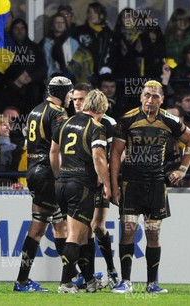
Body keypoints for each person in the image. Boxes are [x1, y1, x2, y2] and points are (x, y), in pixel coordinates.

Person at [110, 80, 190, 294]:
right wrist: (113, 187)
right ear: (141, 97)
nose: (150, 100)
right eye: (147, 95)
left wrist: (182, 170)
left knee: (153, 234)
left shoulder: (170, 120)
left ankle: (151, 284)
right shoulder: (127, 119)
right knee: (128, 231)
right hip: (131, 184)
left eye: (155, 96)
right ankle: (126, 282)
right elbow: (114, 155)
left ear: (162, 99)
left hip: (157, 184)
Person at [14, 76, 73, 292]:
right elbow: (56, 149)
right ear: (62, 93)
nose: (70, 98)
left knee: (54, 225)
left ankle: (70, 275)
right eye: (69, 93)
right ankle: (24, 280)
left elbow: (29, 141)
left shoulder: (35, 110)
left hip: (32, 170)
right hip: (47, 173)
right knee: (44, 227)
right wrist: (59, 177)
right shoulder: (58, 113)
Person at [52, 89, 111, 293]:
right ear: (101, 109)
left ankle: (90, 281)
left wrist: (58, 176)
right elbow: (98, 158)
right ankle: (65, 283)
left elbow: (53, 152)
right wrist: (107, 185)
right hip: (81, 185)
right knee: (75, 236)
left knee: (84, 235)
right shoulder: (96, 126)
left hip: (62, 182)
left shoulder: (65, 122)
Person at [70, 84, 119, 289]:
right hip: (82, 181)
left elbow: (118, 152)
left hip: (101, 180)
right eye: (75, 100)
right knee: (83, 232)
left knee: (97, 226)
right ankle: (89, 277)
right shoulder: (72, 122)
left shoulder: (108, 123)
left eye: (81, 99)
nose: (78, 103)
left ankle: (111, 270)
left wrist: (106, 177)